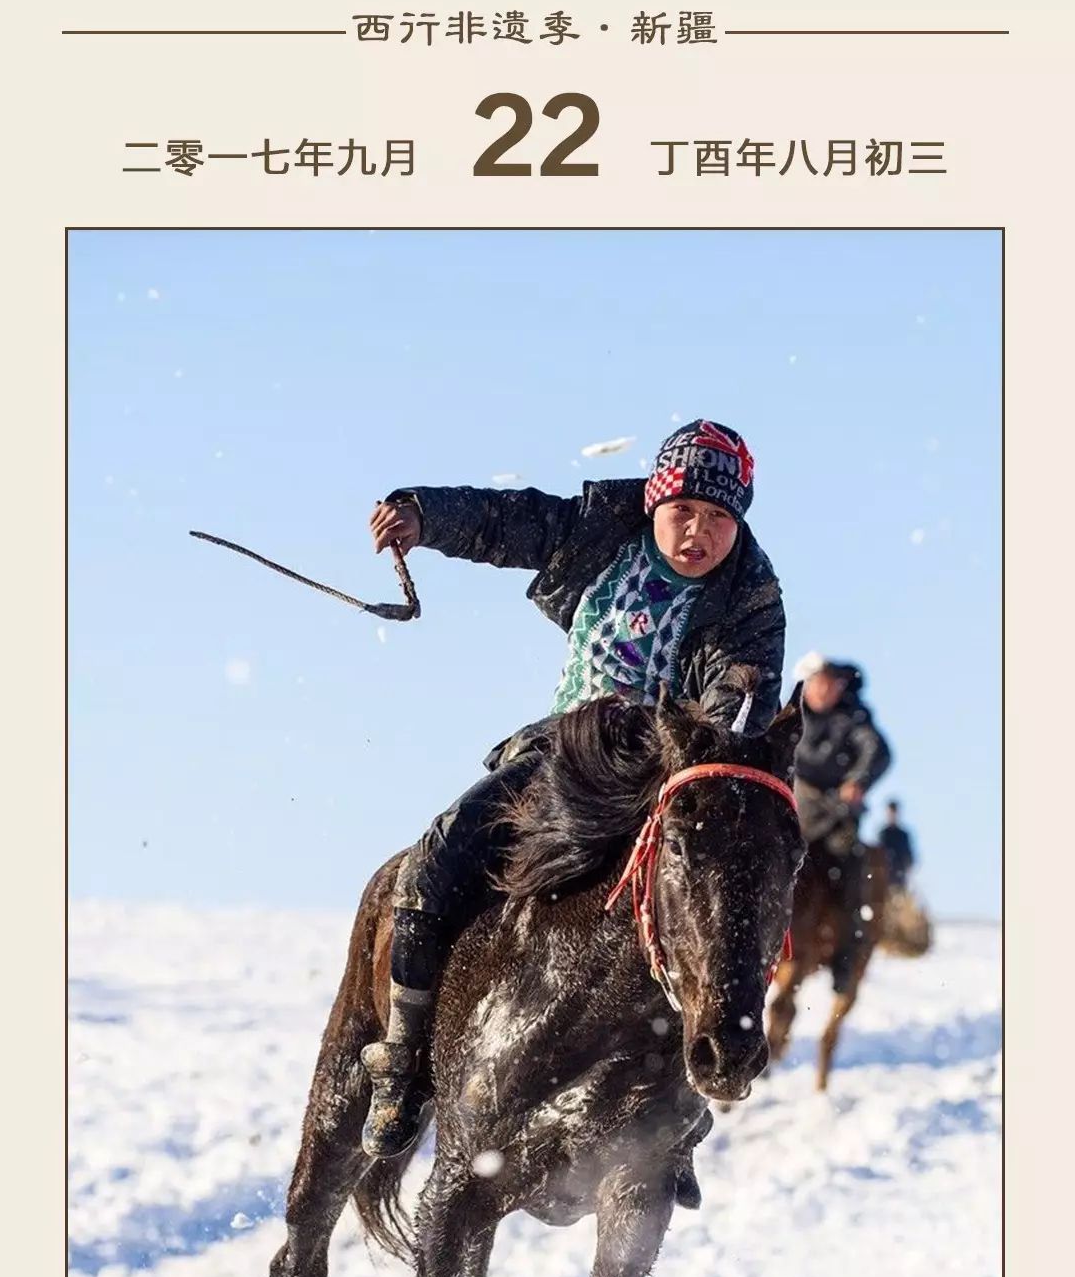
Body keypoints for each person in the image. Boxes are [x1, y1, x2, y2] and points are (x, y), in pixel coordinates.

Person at [359, 418, 787, 1159]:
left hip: (667, 781)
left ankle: (675, 1122)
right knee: (434, 862)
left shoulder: (751, 599)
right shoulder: (600, 530)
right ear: (655, 503)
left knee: (706, 914)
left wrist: (686, 750)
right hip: (566, 754)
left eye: (718, 518)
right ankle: (402, 1066)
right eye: (683, 510)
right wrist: (422, 514)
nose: (697, 531)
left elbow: (735, 710)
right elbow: (508, 521)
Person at [791, 654, 893, 989]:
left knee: (851, 870)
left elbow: (877, 751)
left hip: (837, 817)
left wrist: (858, 782)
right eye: (819, 683)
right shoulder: (789, 714)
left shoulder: (854, 718)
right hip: (793, 812)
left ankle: (845, 959)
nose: (826, 691)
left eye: (832, 684)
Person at [879, 799, 915, 889]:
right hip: (884, 878)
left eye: (894, 812)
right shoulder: (883, 834)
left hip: (900, 877)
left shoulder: (903, 835)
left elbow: (909, 857)